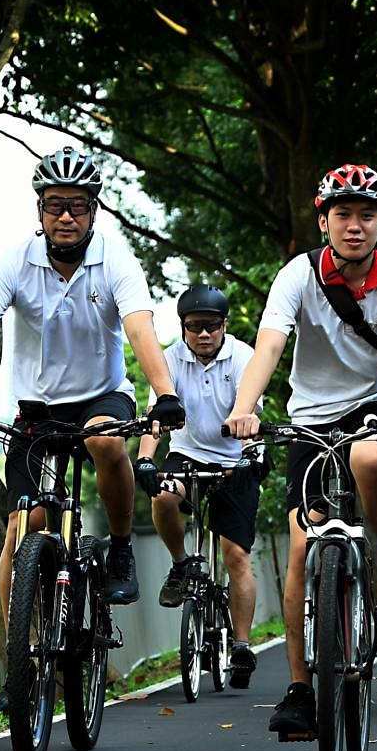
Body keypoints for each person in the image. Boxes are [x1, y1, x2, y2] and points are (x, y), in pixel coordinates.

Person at [0, 147, 184, 691]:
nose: (66, 215)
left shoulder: (116, 260)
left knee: (106, 443)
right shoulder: (14, 263)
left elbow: (139, 330)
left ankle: (121, 548)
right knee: (24, 527)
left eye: (78, 205)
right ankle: (23, 655)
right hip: (35, 409)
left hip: (101, 396)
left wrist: (164, 393)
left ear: (94, 210)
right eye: (55, 204)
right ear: (40, 210)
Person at [222, 163, 377, 737]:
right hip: (311, 417)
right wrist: (244, 408)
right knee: (301, 551)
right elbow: (270, 343)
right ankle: (300, 688)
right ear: (324, 220)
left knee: (371, 459)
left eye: (366, 216)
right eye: (343, 215)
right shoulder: (297, 276)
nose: (355, 226)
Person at [134, 284, 264, 688]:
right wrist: (144, 459)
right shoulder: (170, 359)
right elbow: (157, 417)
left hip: (233, 461)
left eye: (211, 326)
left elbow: (250, 416)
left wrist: (252, 457)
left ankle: (241, 645)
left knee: (236, 556)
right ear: (184, 327)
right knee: (163, 495)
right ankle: (181, 564)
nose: (203, 335)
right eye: (194, 327)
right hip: (188, 456)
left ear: (224, 325)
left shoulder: (243, 357)